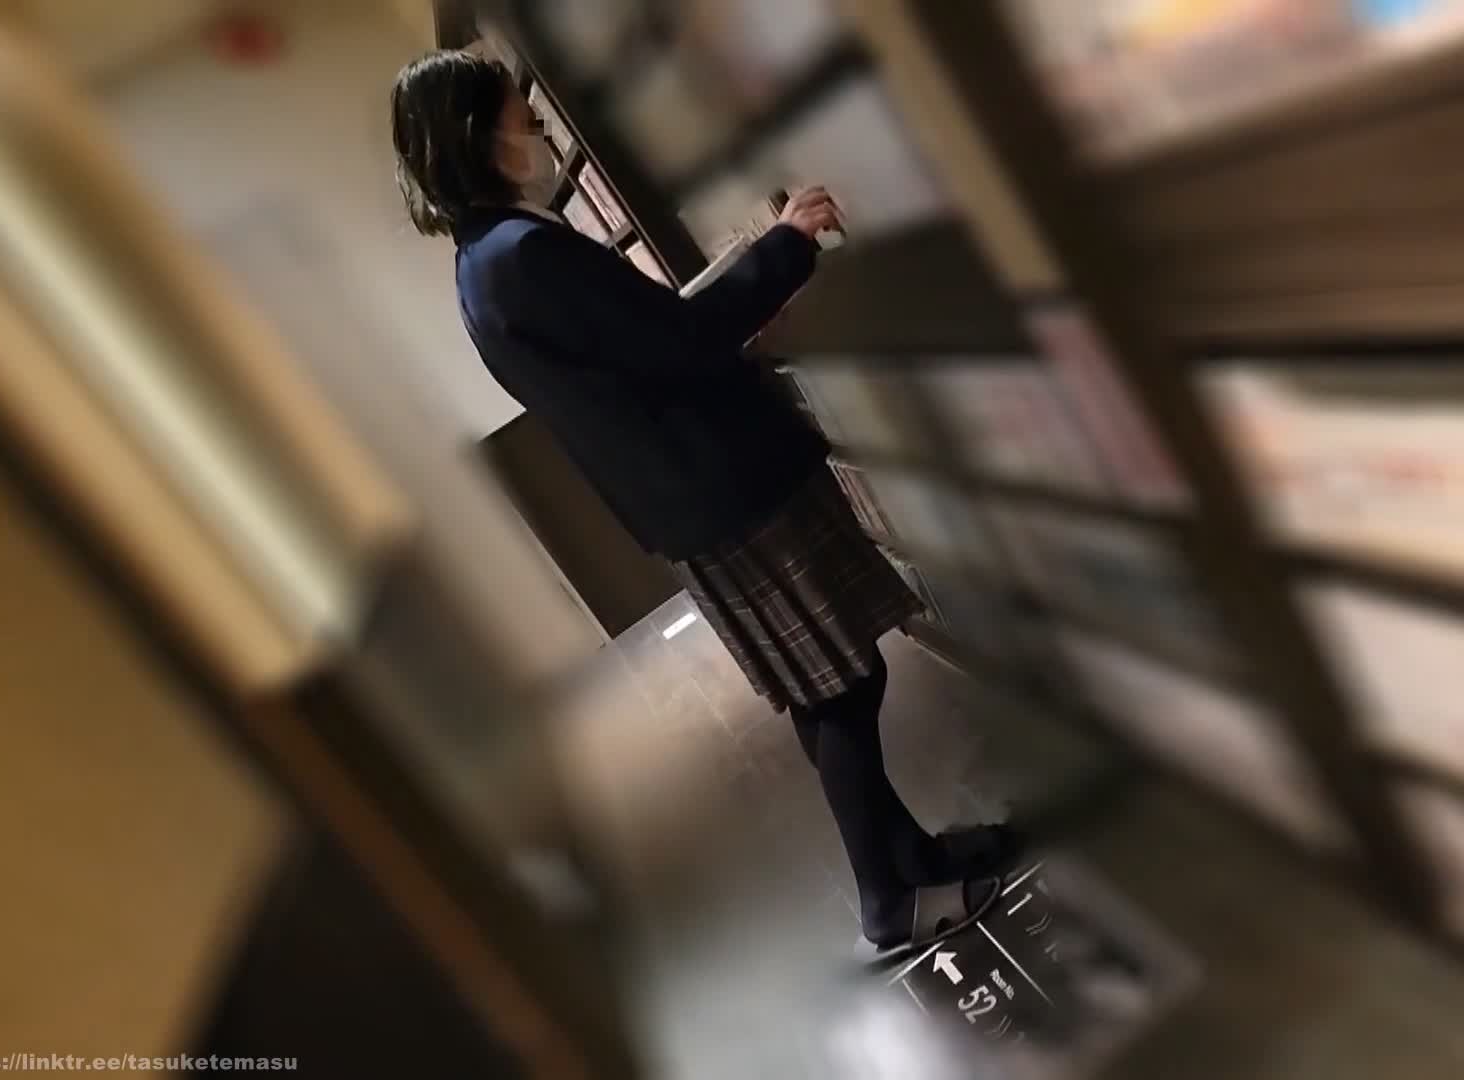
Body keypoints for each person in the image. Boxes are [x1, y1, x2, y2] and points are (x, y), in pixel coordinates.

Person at [389, 50, 1016, 958]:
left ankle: (909, 856)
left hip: (700, 499)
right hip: (727, 490)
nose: (539, 135)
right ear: (479, 140)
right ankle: (887, 898)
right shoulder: (524, 256)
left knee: (830, 689)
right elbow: (680, 341)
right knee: (845, 686)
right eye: (523, 123)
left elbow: (637, 347)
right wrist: (788, 243)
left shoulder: (484, 266)